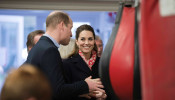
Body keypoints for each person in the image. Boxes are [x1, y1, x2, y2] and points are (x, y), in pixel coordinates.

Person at [25, 11, 104, 100]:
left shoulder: (42, 45)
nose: (71, 34)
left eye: (90, 39)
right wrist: (86, 85)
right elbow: (58, 91)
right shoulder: (49, 50)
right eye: (70, 28)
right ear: (62, 25)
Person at [63, 24, 107, 100]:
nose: (86, 43)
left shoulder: (103, 64)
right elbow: (62, 93)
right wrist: (80, 93)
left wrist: (105, 96)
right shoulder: (67, 64)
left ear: (94, 41)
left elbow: (111, 90)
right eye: (82, 39)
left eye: (90, 39)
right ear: (77, 41)